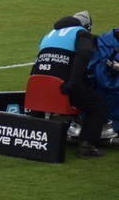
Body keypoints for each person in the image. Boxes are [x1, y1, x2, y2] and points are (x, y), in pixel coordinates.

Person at [30, 11, 108, 158]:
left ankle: (34, 139)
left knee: (39, 106)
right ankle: (87, 146)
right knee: (98, 107)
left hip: (38, 81)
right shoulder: (81, 33)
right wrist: (74, 82)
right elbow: (84, 54)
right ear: (87, 26)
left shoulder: (50, 34)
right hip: (62, 84)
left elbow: (40, 61)